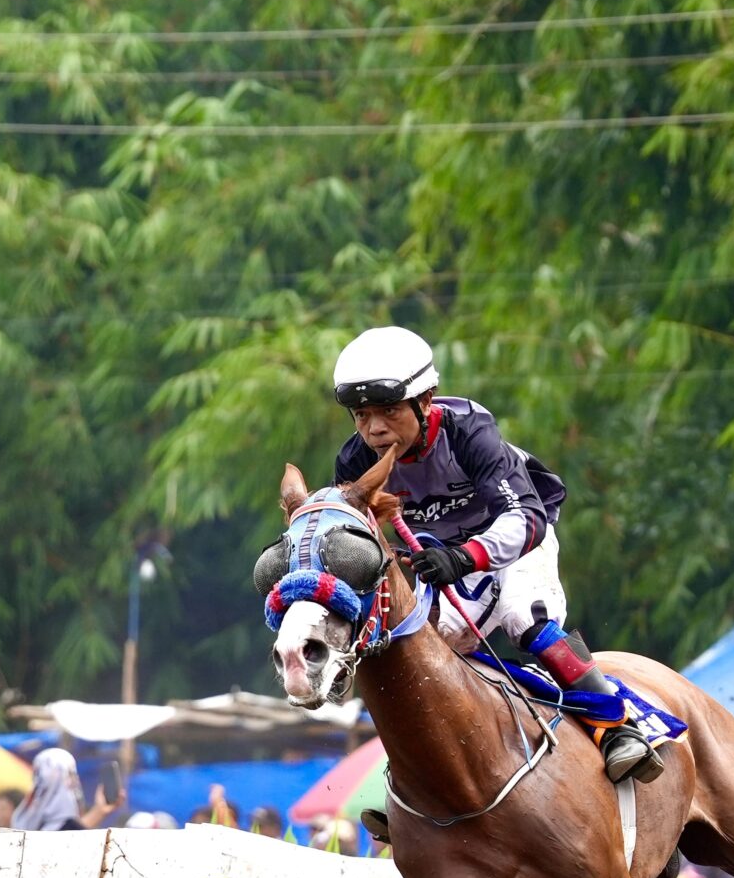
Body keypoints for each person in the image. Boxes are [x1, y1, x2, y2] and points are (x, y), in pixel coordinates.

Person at [261, 324, 656, 783]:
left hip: (514, 543)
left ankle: (616, 727)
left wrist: (466, 557)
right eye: (361, 415)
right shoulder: (355, 462)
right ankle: (425, 783)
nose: (374, 428)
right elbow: (363, 546)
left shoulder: (470, 431)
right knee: (420, 650)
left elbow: (525, 518)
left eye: (388, 411)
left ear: (426, 400)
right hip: (438, 556)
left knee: (521, 616)